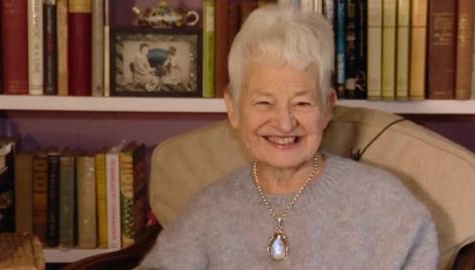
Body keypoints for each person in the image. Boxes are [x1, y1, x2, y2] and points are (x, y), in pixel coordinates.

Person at [140, 4, 439, 269]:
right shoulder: (209, 209)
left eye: (302, 103)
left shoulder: (386, 204)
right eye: (264, 102)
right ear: (233, 108)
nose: (284, 123)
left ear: (327, 108)